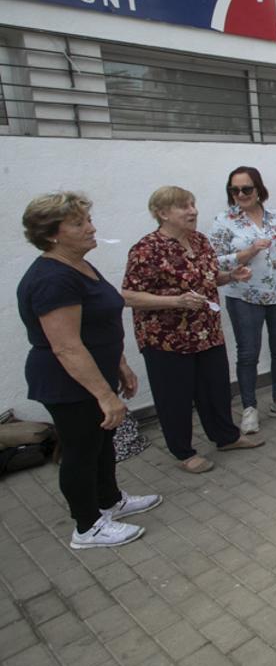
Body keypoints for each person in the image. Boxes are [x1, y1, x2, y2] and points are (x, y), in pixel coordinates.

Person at [17, 192, 161, 549]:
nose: (91, 228)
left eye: (88, 220)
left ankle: (110, 500)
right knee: (81, 449)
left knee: (102, 442)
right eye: (79, 223)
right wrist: (104, 394)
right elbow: (66, 346)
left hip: (96, 373)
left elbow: (98, 324)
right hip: (68, 382)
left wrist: (121, 365)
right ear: (52, 234)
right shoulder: (53, 278)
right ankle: (87, 526)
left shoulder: (77, 263)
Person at [122, 186, 264, 473]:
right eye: (184, 207)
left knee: (215, 389)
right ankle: (183, 451)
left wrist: (230, 276)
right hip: (166, 339)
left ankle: (225, 437)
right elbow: (128, 295)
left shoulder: (199, 241)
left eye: (193, 204)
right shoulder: (146, 249)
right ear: (162, 214)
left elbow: (210, 279)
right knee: (174, 396)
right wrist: (175, 300)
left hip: (206, 332)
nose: (193, 211)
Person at [210, 166, 276, 434]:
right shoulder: (223, 220)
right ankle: (249, 407)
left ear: (259, 189)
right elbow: (214, 261)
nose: (241, 194)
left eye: (246, 189)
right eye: (234, 190)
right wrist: (247, 252)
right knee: (248, 353)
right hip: (244, 296)